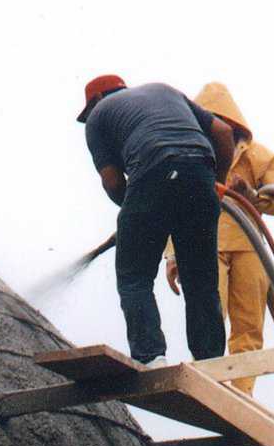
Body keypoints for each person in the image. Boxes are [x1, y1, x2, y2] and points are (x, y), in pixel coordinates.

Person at [78, 75, 234, 366]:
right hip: (199, 175)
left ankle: (151, 358)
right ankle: (210, 362)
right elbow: (224, 133)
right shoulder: (166, 89)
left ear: (97, 99)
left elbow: (112, 183)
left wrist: (134, 214)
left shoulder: (98, 116)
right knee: (201, 280)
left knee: (134, 277)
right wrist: (216, 185)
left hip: (151, 171)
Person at [165, 83, 274, 395]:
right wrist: (171, 254)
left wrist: (253, 195)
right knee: (209, 315)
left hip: (250, 246)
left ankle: (243, 392)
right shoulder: (188, 154)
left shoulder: (259, 156)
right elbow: (172, 205)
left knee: (248, 326)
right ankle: (211, 387)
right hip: (204, 242)